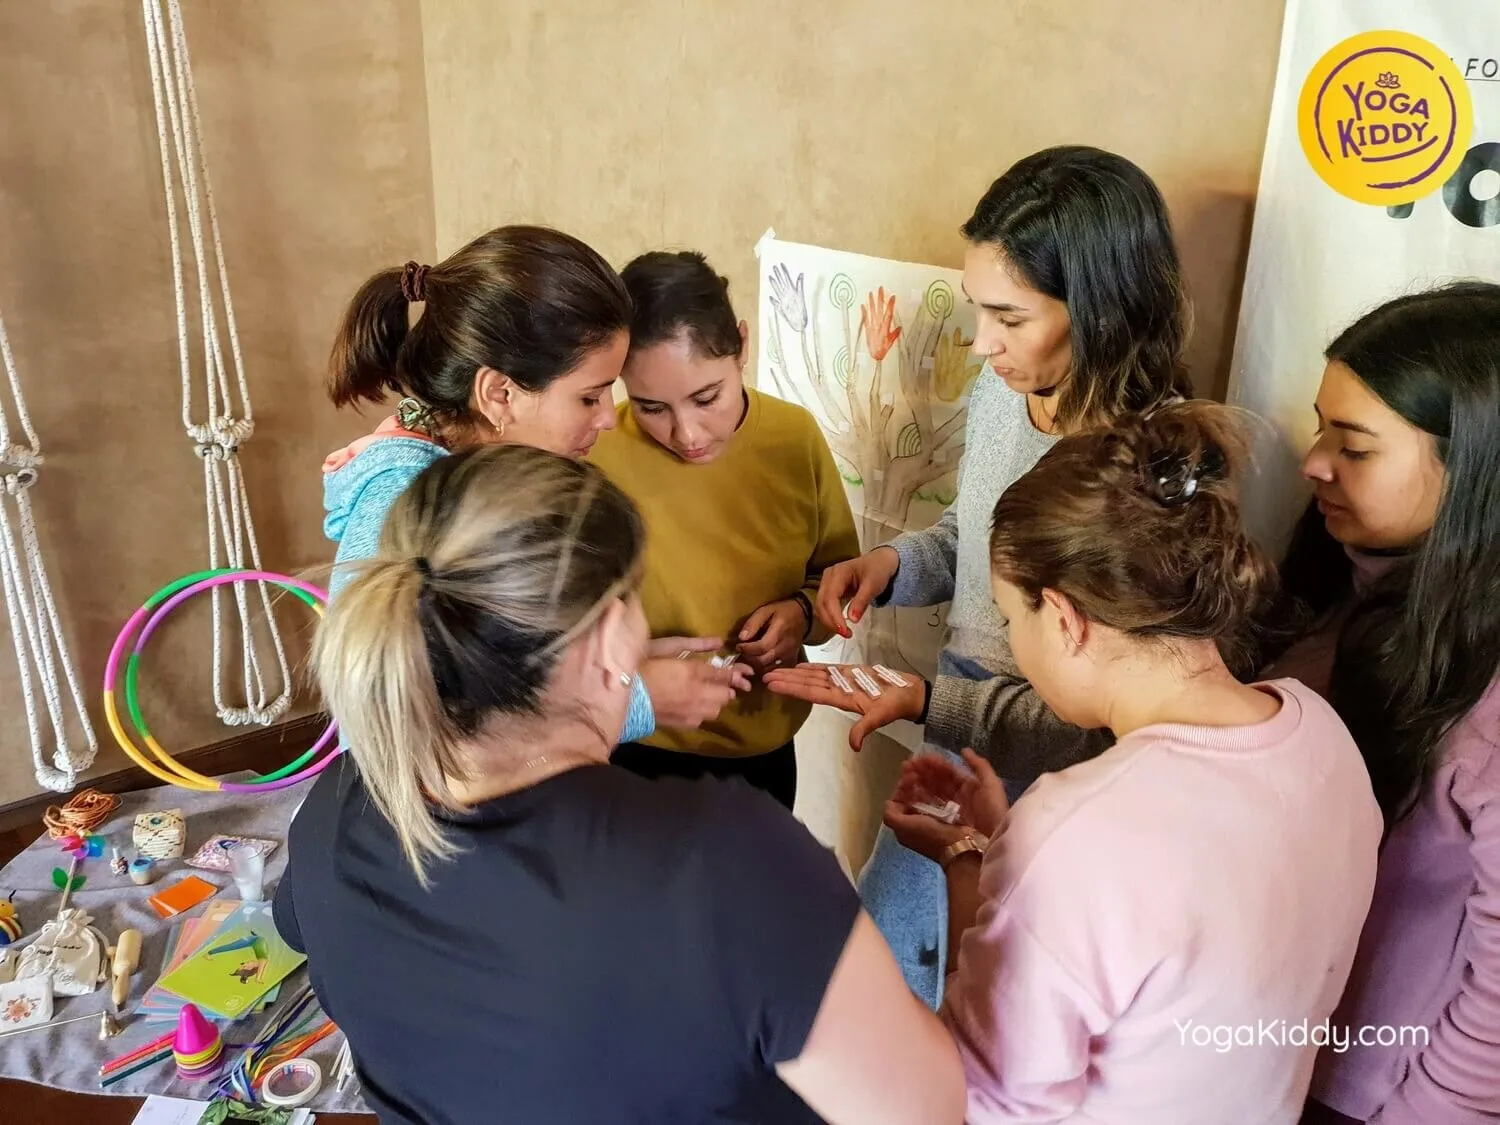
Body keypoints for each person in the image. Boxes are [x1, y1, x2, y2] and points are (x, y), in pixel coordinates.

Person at [274, 444, 965, 1125]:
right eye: (637, 600)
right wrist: (966, 878)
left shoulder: (335, 806)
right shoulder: (728, 862)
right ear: (609, 644)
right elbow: (927, 1106)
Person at [764, 145, 1193, 1002]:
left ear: (1101, 308)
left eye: (1010, 316)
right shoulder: (1006, 388)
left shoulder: (1158, 465)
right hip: (958, 718)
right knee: (889, 960)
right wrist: (889, 564)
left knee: (992, 1000)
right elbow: (977, 530)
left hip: (1062, 760)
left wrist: (926, 703)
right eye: (976, 309)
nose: (982, 341)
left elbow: (1101, 712)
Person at [883, 403, 1382, 1123]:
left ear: (1063, 618)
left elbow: (984, 1100)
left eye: (1008, 616)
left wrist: (990, 859)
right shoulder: (1322, 737)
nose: (1015, 640)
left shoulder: (1076, 830)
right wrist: (982, 853)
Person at [319, 224, 745, 741]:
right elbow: (388, 727)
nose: (609, 419)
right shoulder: (402, 507)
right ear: (500, 394)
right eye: (589, 397)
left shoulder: (481, 473)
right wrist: (632, 698)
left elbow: (491, 660)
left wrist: (605, 662)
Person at [1270, 283, 1500, 1125]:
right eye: (1320, 424)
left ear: (1472, 466)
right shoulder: (1336, 585)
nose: (1313, 461)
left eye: (1355, 446)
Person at [590, 250, 860, 809]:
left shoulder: (793, 439)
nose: (686, 433)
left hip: (760, 747)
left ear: (741, 345)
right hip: (634, 738)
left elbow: (836, 578)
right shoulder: (598, 454)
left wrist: (803, 615)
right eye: (650, 407)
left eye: (706, 397)